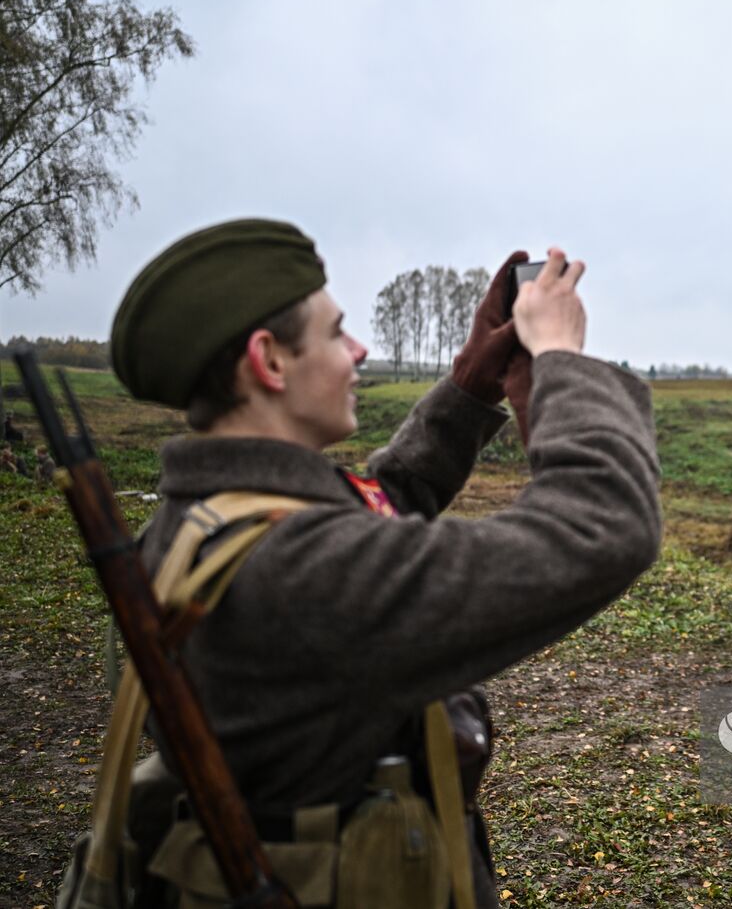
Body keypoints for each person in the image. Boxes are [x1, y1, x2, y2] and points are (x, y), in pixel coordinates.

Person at [86, 218, 662, 908]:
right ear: (269, 361)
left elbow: (369, 511)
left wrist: (471, 388)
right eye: (335, 333)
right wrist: (565, 361)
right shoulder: (302, 572)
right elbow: (602, 527)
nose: (358, 351)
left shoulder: (199, 522)